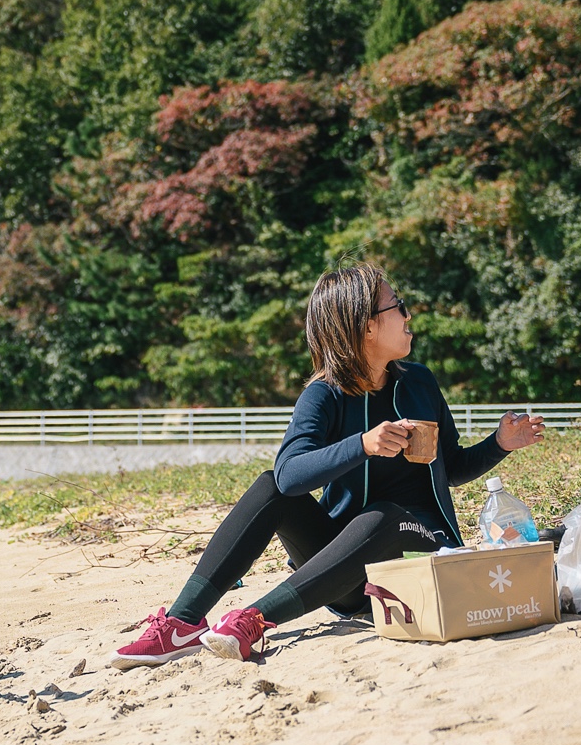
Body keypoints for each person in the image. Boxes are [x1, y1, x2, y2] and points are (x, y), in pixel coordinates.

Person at [111, 262, 546, 667]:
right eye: (399, 307)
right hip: (339, 575)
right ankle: (182, 624)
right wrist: (363, 444)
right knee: (269, 486)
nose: (408, 316)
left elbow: (450, 468)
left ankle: (256, 618)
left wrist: (499, 443)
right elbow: (289, 475)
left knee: (387, 517)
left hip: (418, 554)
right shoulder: (324, 394)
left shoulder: (420, 382)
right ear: (367, 326)